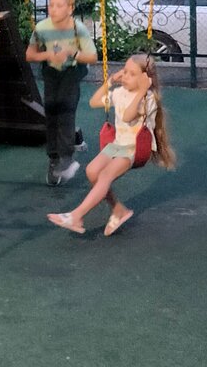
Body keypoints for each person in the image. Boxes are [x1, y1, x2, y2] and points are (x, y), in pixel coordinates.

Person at [46, 52, 176, 235]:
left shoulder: (147, 99)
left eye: (132, 74)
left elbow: (128, 115)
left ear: (145, 79)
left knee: (106, 175)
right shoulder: (120, 93)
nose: (125, 76)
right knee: (92, 171)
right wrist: (110, 82)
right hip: (117, 145)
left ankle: (76, 216)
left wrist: (141, 91)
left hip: (134, 149)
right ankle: (118, 210)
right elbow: (94, 102)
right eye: (125, 71)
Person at [26, 0, 96, 185]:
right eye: (51, 5)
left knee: (65, 108)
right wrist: (48, 54)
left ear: (70, 8)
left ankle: (64, 158)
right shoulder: (42, 28)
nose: (54, 9)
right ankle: (56, 155)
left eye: (59, 5)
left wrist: (72, 53)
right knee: (51, 110)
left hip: (73, 70)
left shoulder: (77, 29)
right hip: (51, 70)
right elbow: (29, 55)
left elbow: (92, 57)